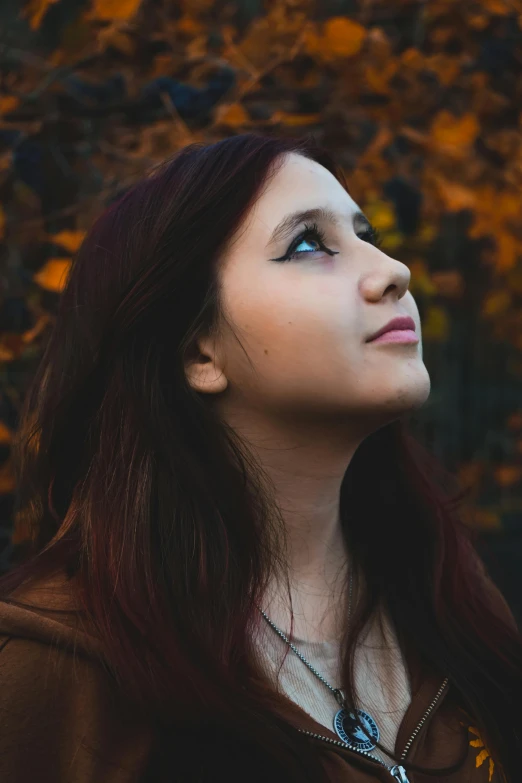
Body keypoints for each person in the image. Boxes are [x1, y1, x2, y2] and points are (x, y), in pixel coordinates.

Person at [0, 133, 520, 783]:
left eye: (365, 234)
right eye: (309, 244)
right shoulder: (56, 669)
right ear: (199, 352)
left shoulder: (453, 598)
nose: (393, 270)